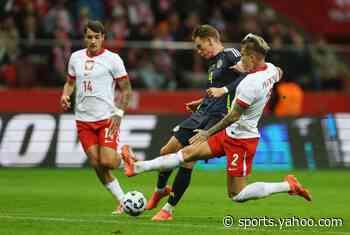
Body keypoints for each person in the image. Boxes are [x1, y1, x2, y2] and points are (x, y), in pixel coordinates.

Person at [121, 33, 311, 214]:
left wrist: (206, 133)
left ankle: (288, 185)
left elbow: (233, 116)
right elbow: (280, 72)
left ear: (253, 57)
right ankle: (137, 167)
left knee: (237, 195)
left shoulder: (250, 84)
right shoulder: (270, 69)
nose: (241, 59)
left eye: (244, 55)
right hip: (229, 133)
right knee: (185, 155)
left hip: (243, 140)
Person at [138, 24, 244, 221]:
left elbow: (248, 77)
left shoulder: (231, 54)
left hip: (217, 117)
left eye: (199, 46)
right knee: (166, 151)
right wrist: (202, 101)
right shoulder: (213, 64)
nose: (198, 51)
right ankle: (160, 190)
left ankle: (168, 209)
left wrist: (225, 91)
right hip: (203, 112)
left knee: (188, 160)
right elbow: (215, 91)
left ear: (211, 40)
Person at [60, 20, 132, 214]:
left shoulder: (113, 59)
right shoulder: (75, 58)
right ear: (84, 38)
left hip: (106, 117)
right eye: (89, 37)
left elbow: (126, 90)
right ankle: (122, 201)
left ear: (103, 38)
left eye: (96, 37)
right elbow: (69, 82)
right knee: (96, 163)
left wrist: (119, 113)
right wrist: (65, 94)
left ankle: (125, 156)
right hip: (83, 120)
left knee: (107, 161)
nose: (92, 41)